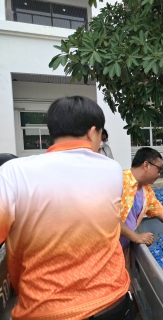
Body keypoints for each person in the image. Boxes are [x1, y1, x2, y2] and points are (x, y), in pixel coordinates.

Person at [0, 96, 134, 319]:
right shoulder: (111, 170)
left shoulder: (14, 173)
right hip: (113, 301)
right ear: (93, 132)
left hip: (45, 308)